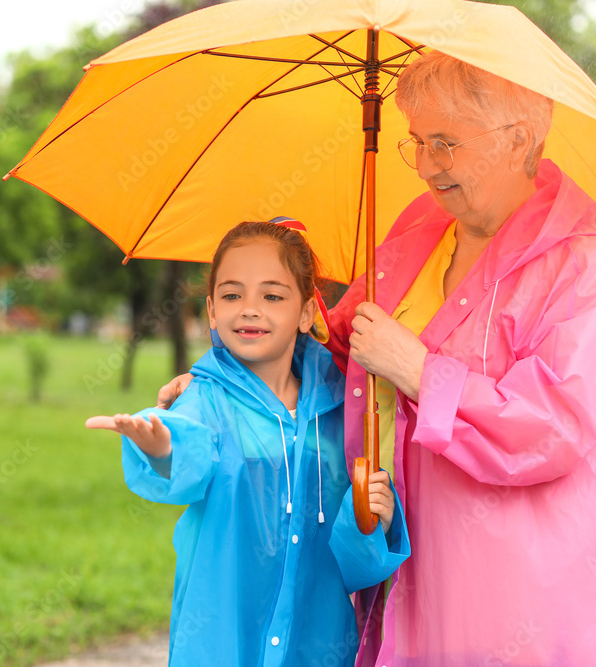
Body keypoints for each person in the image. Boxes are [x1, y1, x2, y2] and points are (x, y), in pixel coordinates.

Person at [160, 52, 596, 665]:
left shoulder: (590, 277)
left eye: (445, 143)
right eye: (418, 142)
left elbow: (551, 426)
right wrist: (223, 385)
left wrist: (420, 370)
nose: (425, 166)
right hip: (401, 562)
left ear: (519, 139)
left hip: (523, 599)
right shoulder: (420, 233)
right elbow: (336, 356)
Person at [87, 219, 410, 667]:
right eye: (232, 294)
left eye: (273, 296)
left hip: (316, 644)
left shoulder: (345, 412)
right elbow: (189, 449)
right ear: (212, 310)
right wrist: (160, 446)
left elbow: (358, 570)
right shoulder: (205, 396)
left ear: (307, 313)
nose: (249, 309)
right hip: (221, 641)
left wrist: (373, 517)